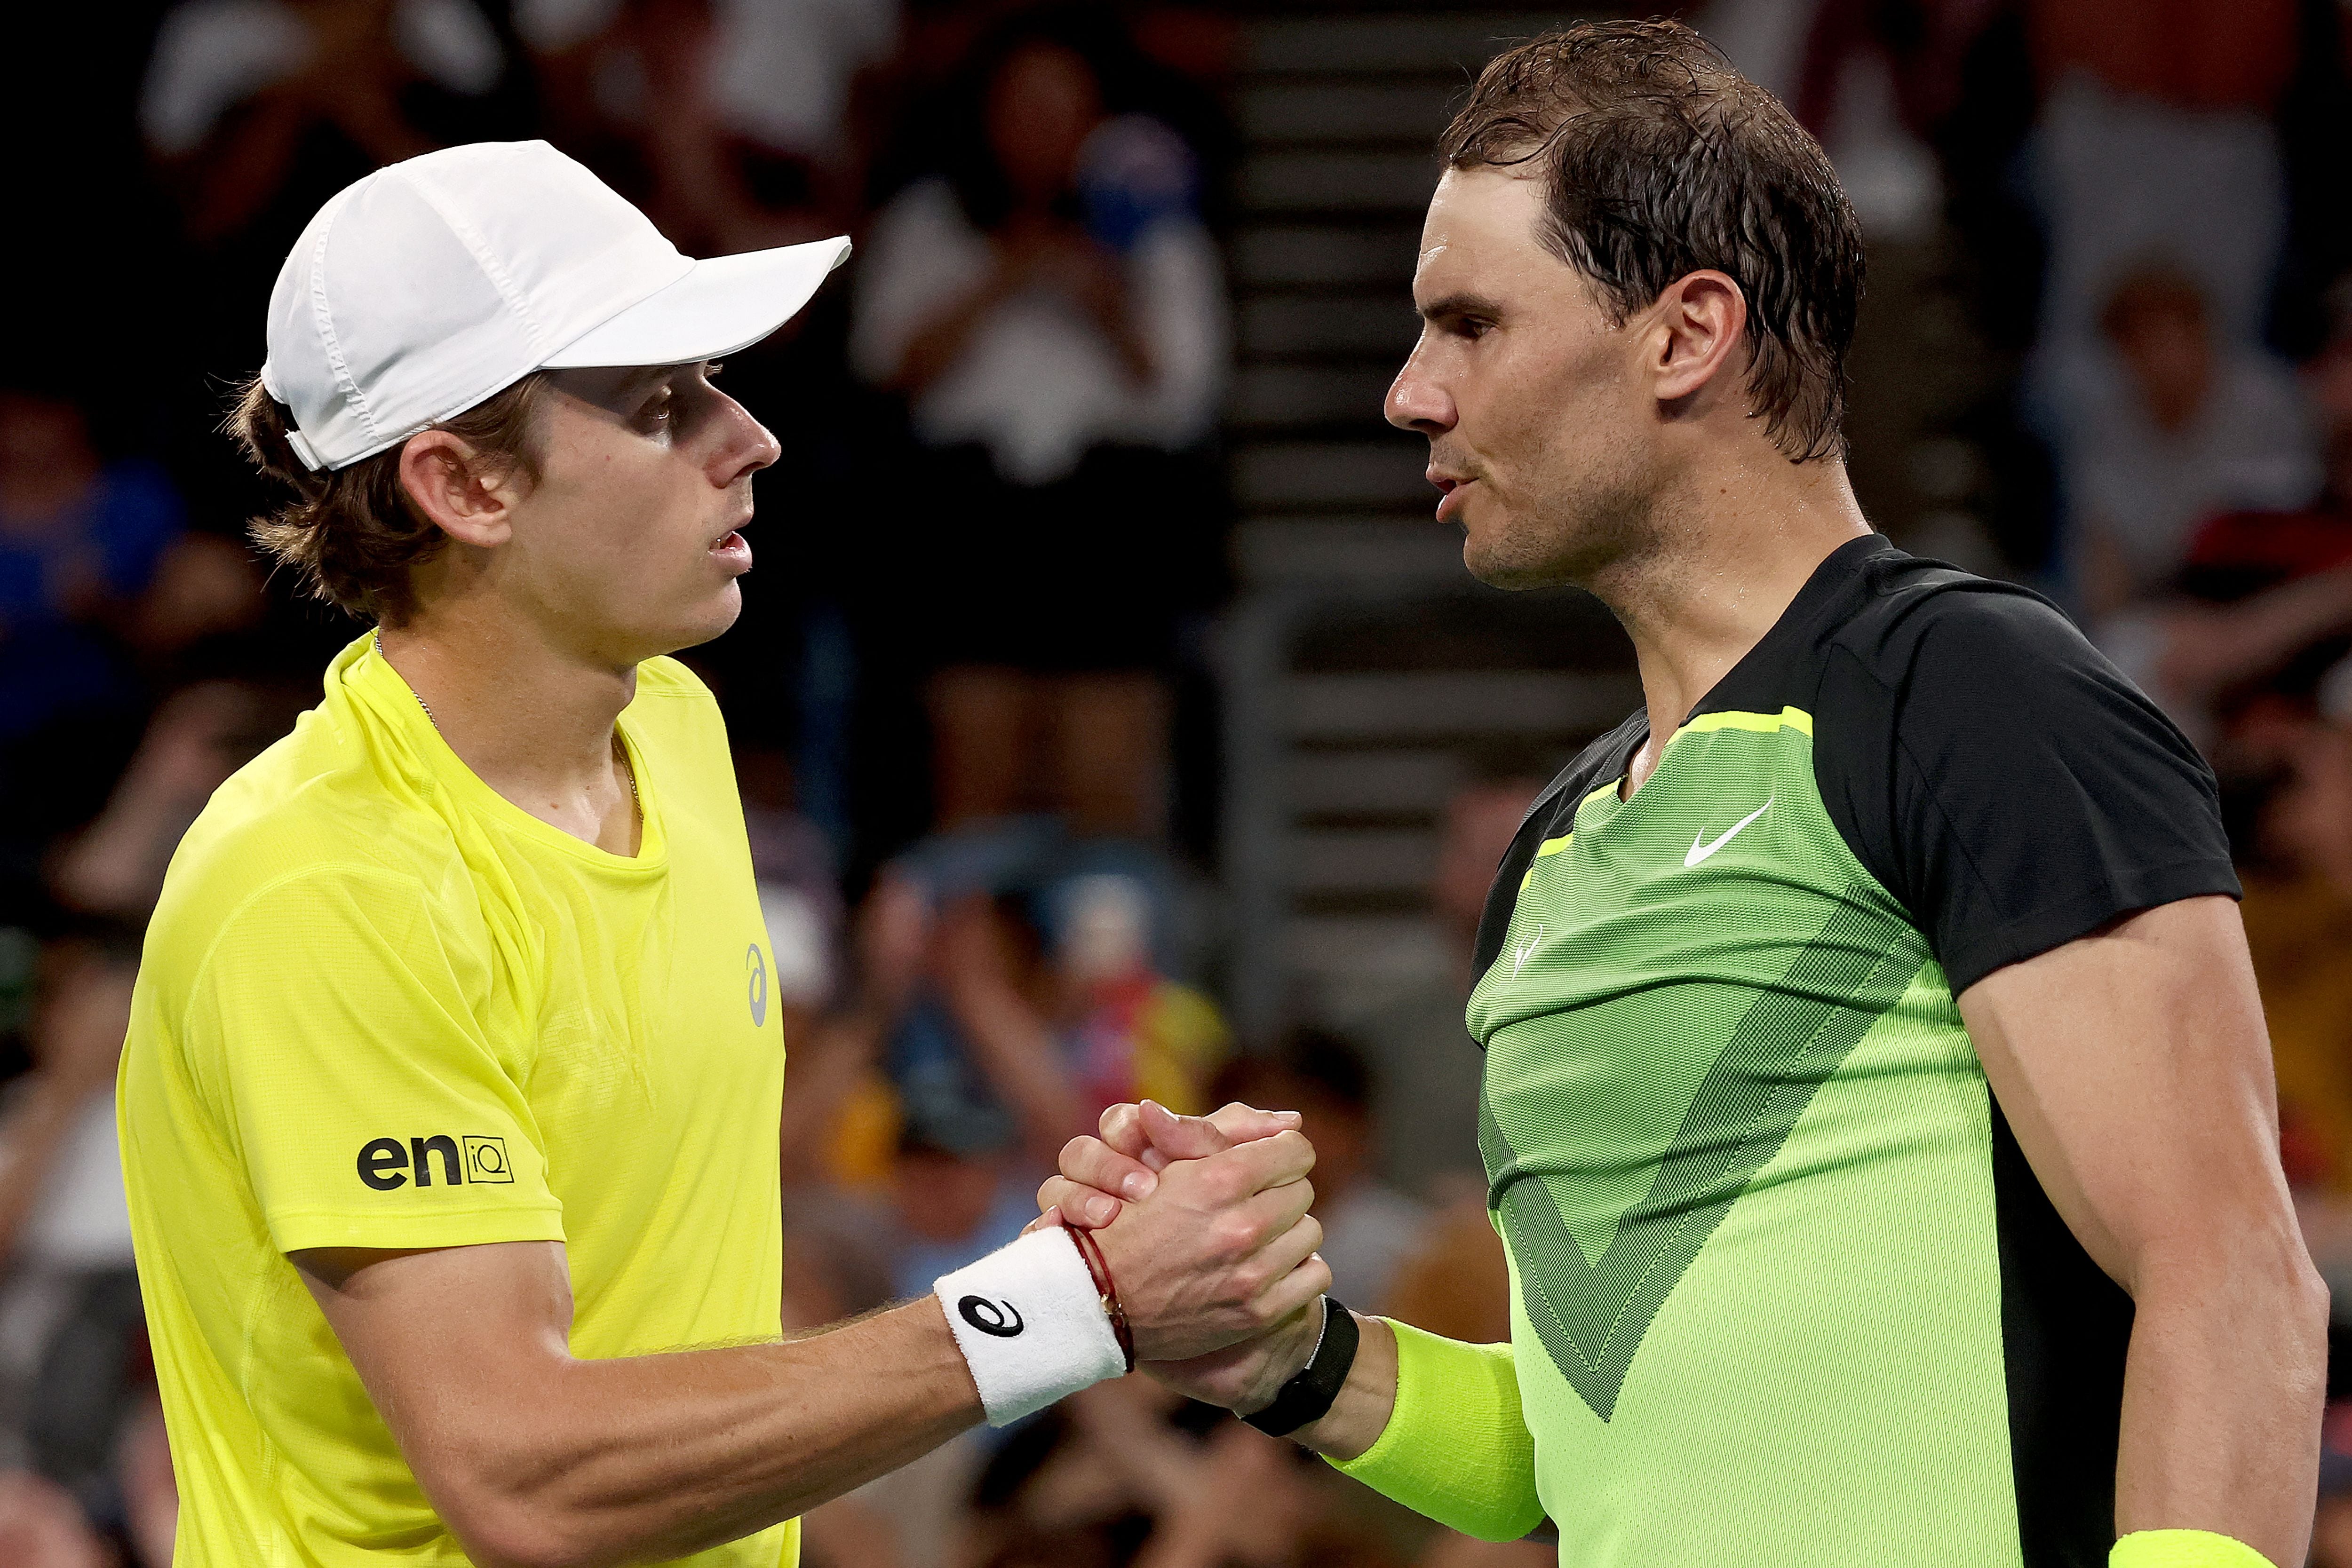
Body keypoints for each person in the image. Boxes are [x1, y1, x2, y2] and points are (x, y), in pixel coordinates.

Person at [1041, 21, 2324, 1568]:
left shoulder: (1977, 696)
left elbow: (2230, 1268)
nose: (1408, 395)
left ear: (1686, 333)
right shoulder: (1554, 850)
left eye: (1469, 325)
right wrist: (1281, 1358)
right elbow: (1578, 1441)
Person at [118, 139, 1329, 1568]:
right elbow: (527, 1478)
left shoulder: (674, 727)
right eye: (658, 405)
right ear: (465, 485)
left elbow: (658, 1256)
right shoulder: (323, 886)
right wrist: (1075, 1303)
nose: (746, 436)